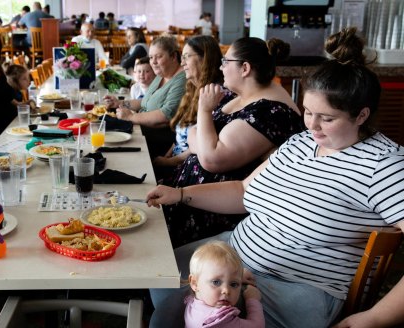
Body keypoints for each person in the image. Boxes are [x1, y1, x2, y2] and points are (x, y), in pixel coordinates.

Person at [145, 27, 404, 328]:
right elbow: (244, 191)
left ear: (361, 115)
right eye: (308, 112)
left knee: (168, 317)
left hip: (294, 286)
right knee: (157, 270)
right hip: (235, 257)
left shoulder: (384, 164)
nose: (313, 126)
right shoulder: (302, 142)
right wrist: (180, 194)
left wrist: (371, 319)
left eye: (328, 118)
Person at [163, 37, 303, 248]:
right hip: (187, 197)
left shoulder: (271, 111)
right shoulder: (237, 95)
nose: (221, 67)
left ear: (244, 68)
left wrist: (204, 111)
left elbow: (212, 159)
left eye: (225, 62)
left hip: (214, 217)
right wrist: (204, 144)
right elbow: (194, 133)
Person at [152, 35, 223, 182]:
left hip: (188, 169)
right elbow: (180, 136)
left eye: (186, 57)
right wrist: (167, 156)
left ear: (205, 59)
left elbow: (201, 145)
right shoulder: (192, 89)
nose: (182, 62)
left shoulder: (214, 94)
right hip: (175, 162)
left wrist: (169, 162)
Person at [105, 35, 186, 158]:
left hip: (160, 138)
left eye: (159, 57)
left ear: (174, 56)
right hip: (143, 129)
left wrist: (131, 117)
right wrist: (120, 103)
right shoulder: (162, 74)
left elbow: (166, 116)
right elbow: (146, 101)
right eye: (151, 57)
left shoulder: (181, 79)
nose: (153, 62)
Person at [185, 241, 264, 327]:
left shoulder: (196, 300)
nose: (226, 290)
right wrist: (252, 299)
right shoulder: (219, 320)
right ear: (194, 283)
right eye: (216, 282)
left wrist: (237, 275)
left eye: (233, 284)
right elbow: (258, 326)